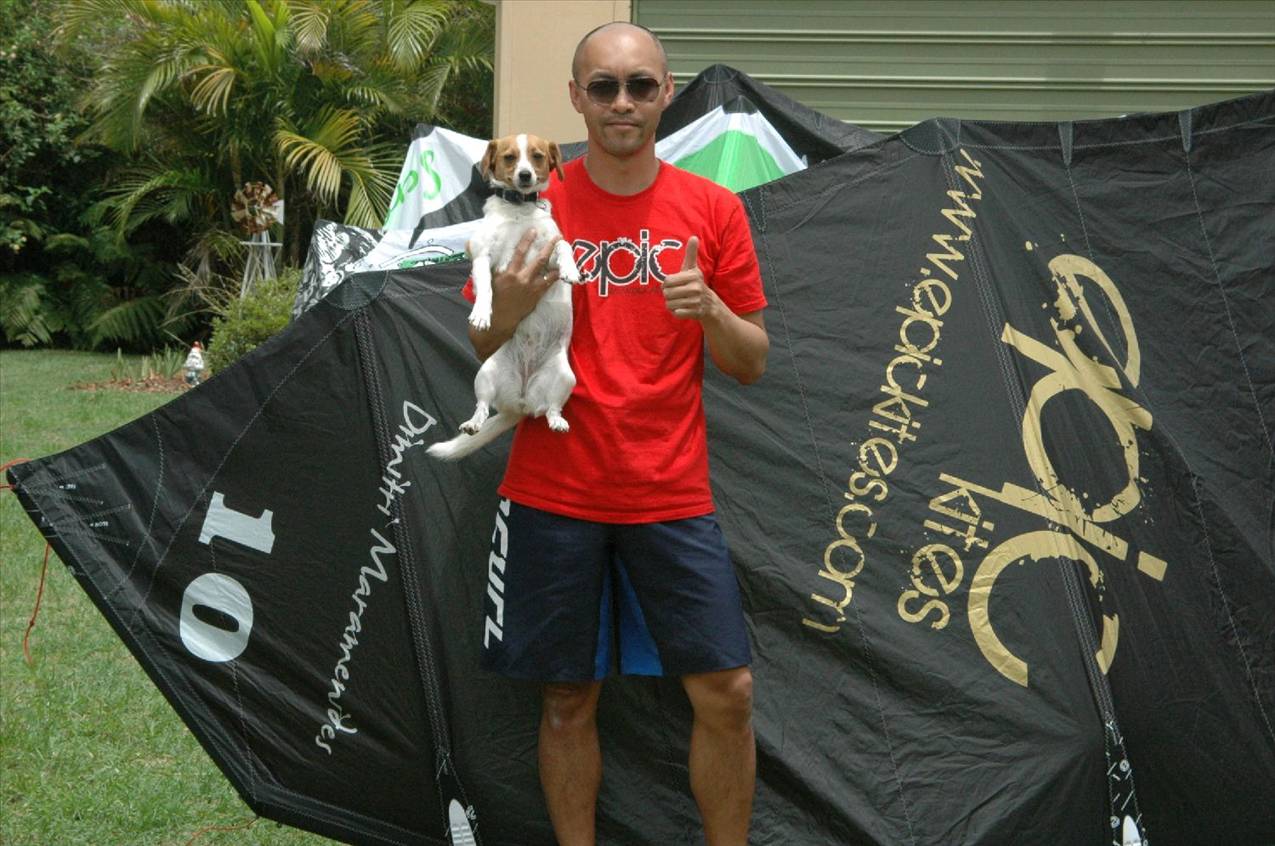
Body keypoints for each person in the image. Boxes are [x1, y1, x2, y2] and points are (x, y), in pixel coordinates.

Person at [465, 21, 768, 846]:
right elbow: (482, 346)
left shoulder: (712, 208)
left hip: (670, 491)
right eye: (604, 87)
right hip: (553, 490)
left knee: (727, 693)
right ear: (576, 98)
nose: (622, 102)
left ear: (666, 93)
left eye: (639, 85)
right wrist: (511, 304)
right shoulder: (532, 203)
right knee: (567, 700)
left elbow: (750, 363)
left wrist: (711, 311)